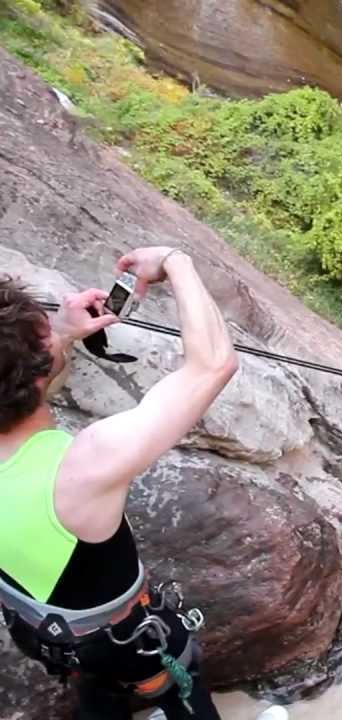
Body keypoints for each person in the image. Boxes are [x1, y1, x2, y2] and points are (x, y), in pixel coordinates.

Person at [0, 248, 283, 720]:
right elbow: (212, 365)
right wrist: (178, 262)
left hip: (43, 634)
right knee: (179, 681)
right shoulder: (83, 467)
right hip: (127, 642)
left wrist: (62, 338)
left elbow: (18, 394)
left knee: (95, 689)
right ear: (32, 372)